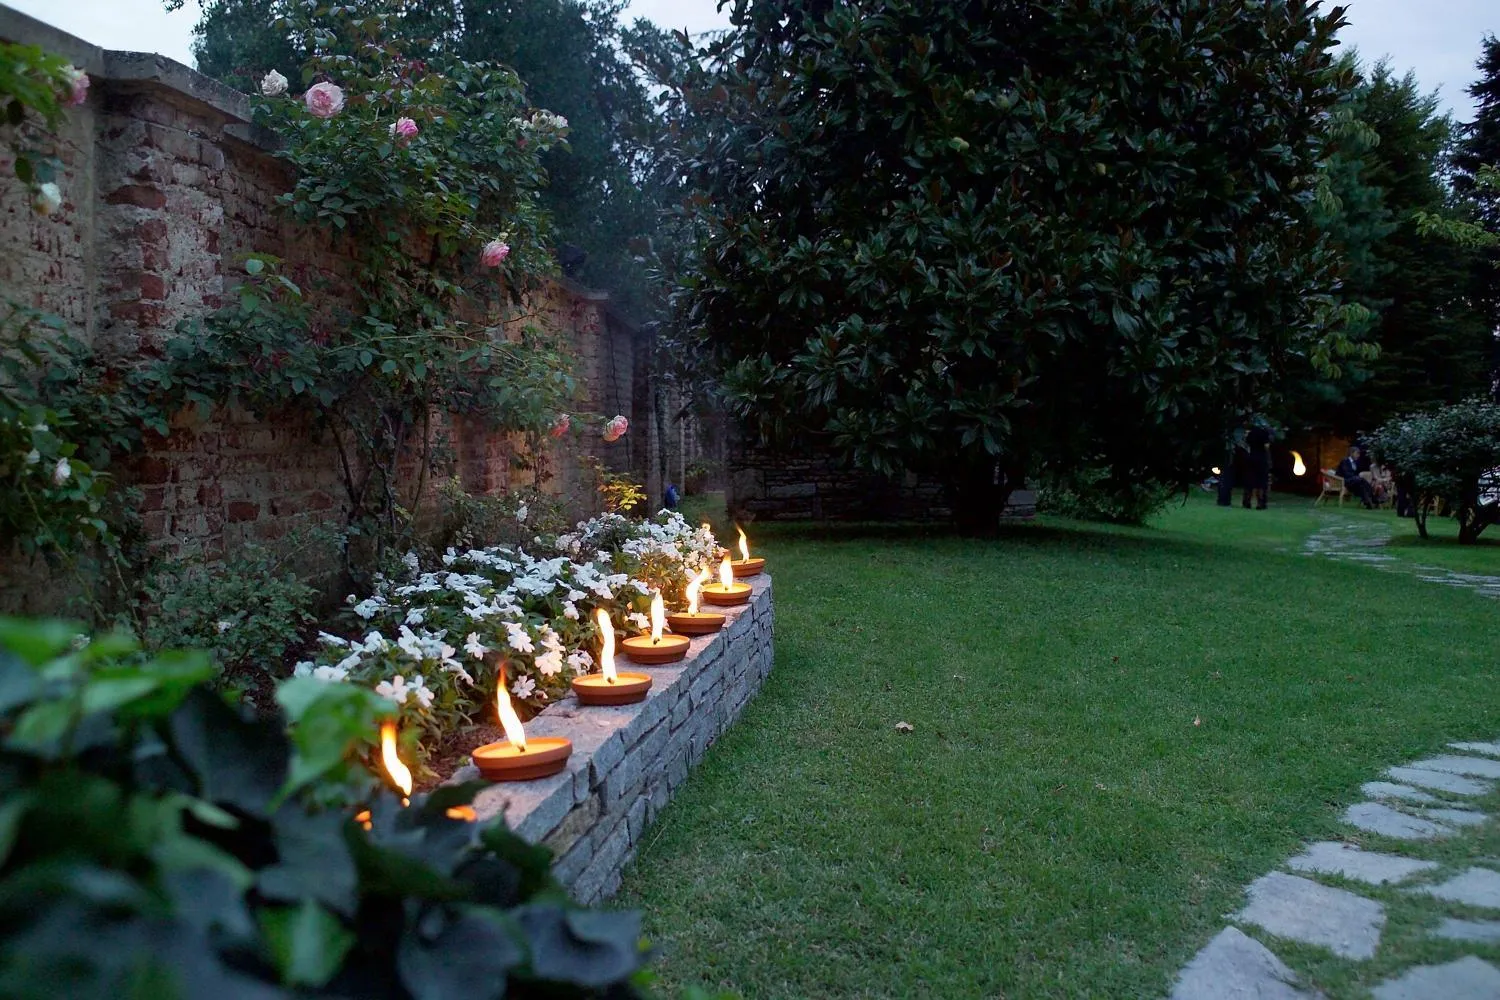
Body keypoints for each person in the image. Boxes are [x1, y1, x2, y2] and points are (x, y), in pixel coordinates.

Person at [1243, 422, 1272, 510]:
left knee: (1249, 480)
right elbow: (1266, 446)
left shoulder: (1251, 433)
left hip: (1251, 457)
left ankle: (1247, 501)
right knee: (1262, 482)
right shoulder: (1264, 433)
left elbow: (1246, 443)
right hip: (1262, 459)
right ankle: (1261, 503)